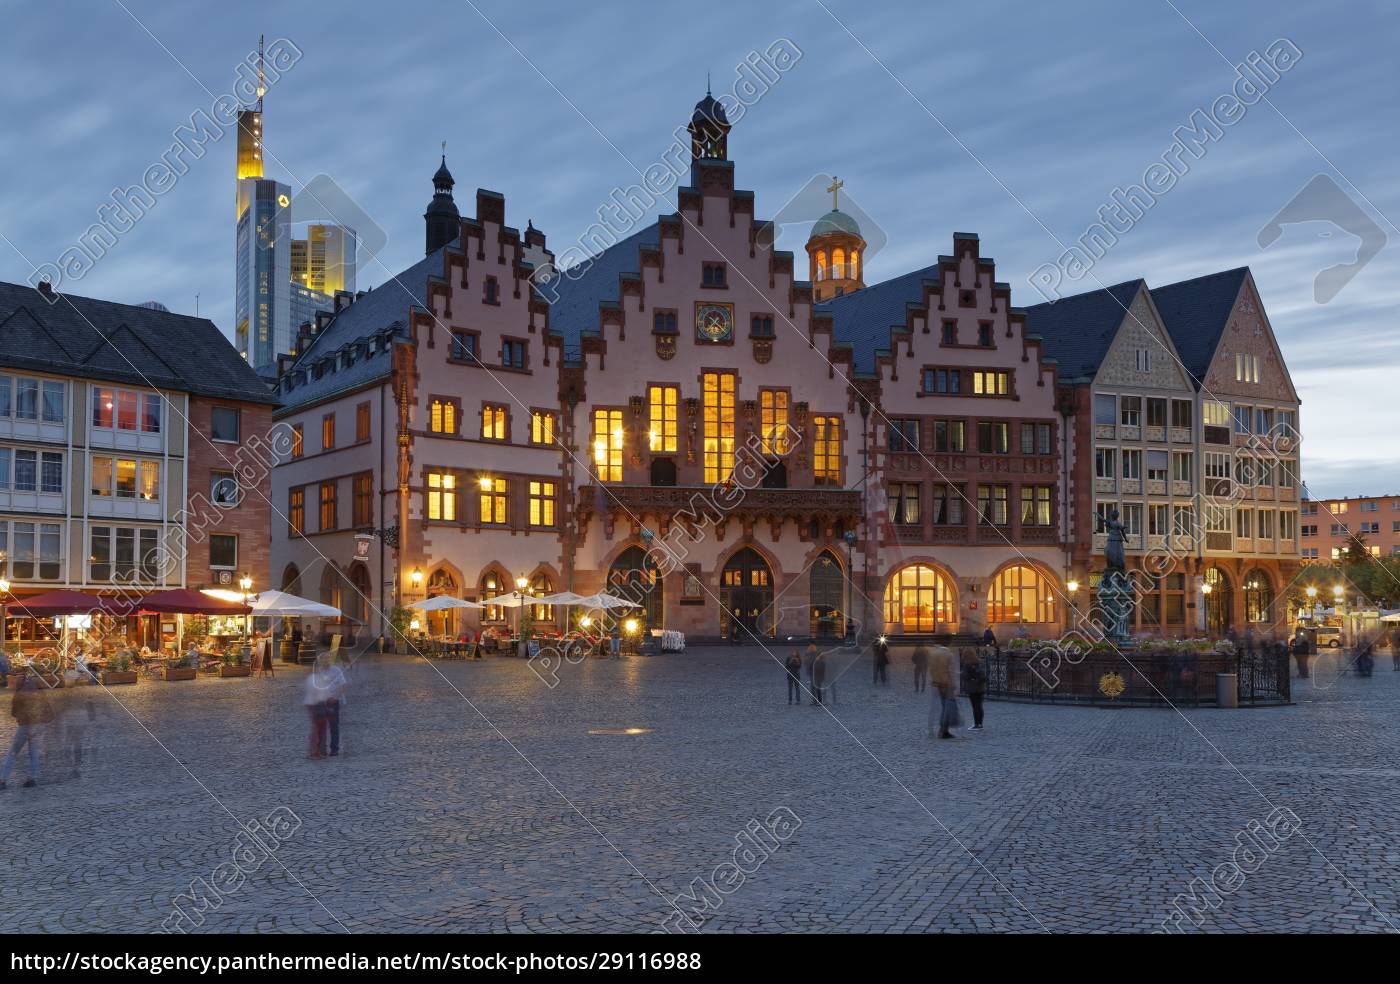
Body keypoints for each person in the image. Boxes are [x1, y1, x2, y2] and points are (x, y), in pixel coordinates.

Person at [1, 669, 54, 788]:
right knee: (34, 753)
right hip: (39, 725)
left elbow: (14, 712)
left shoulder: (20, 693)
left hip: (25, 726)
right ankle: (32, 778)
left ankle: (3, 780)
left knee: (12, 752)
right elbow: (46, 706)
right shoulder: (36, 688)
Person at [304, 653, 346, 758]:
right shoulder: (318, 671)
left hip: (333, 701)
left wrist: (336, 696)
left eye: (328, 658)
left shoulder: (336, 670)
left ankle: (334, 749)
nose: (326, 660)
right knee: (322, 727)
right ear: (320, 661)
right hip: (322, 702)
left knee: (334, 726)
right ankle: (322, 749)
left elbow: (343, 685)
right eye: (324, 659)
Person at [928, 645, 960, 739]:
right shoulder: (948, 655)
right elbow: (951, 671)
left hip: (936, 684)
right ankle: (944, 730)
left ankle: (936, 728)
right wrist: (953, 685)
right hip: (946, 684)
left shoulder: (933, 655)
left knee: (939, 707)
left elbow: (931, 670)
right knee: (947, 708)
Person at [962, 648, 987, 730]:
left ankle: (977, 724)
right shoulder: (980, 662)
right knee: (979, 706)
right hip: (980, 687)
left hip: (973, 688)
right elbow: (983, 675)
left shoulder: (967, 664)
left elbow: (965, 676)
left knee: (975, 707)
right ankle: (980, 724)